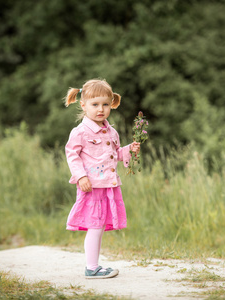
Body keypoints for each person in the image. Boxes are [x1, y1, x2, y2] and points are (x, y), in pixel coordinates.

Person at [64, 79, 140, 279]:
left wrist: (129, 150)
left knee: (98, 226)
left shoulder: (111, 132)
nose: (101, 109)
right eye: (95, 104)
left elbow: (115, 154)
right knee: (95, 225)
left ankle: (94, 265)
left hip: (107, 185)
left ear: (111, 104)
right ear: (83, 105)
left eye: (105, 104)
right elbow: (72, 154)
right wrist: (80, 176)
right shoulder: (80, 132)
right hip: (91, 185)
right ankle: (91, 267)